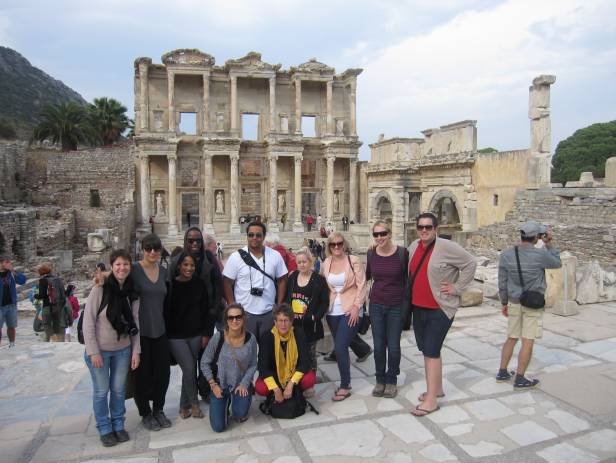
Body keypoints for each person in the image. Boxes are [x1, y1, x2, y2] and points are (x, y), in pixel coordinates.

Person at [408, 213, 476, 416]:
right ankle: (436, 389)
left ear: (435, 229)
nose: (424, 230)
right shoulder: (413, 246)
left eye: (428, 227)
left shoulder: (446, 247)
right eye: (421, 227)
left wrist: (457, 288)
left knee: (431, 351)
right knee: (428, 350)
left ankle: (431, 401)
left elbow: (470, 263)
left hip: (440, 308)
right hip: (418, 307)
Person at [83, 249, 141, 447]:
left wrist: (136, 350)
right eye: (118, 264)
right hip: (100, 349)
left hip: (123, 348)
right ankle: (104, 427)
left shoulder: (131, 291)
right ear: (112, 266)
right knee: (101, 391)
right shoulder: (100, 289)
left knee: (117, 391)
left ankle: (118, 424)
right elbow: (88, 322)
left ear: (130, 267)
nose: (122, 268)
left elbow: (135, 323)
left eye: (125, 264)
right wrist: (93, 352)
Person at [496, 221, 561, 389]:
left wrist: (504, 302)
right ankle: (520, 378)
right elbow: (557, 262)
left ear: (522, 235)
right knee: (528, 340)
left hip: (514, 301)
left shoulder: (506, 255)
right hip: (533, 302)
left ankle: (502, 372)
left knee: (511, 337)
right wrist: (549, 244)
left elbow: (502, 283)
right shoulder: (540, 255)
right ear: (537, 237)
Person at [164, 252, 212, 419]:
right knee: (190, 368)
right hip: (176, 336)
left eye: (191, 265)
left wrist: (206, 333)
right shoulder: (170, 285)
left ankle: (183, 406)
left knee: (188, 370)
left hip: (195, 334)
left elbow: (205, 310)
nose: (189, 268)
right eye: (185, 265)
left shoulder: (199, 284)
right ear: (178, 266)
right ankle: (194, 404)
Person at [131, 234, 171, 431]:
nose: (153, 252)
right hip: (141, 332)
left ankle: (159, 409)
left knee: (162, 374)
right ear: (143, 249)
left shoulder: (163, 272)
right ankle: (145, 412)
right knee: (142, 375)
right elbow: (116, 277)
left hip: (160, 330)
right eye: (149, 248)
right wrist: (101, 277)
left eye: (156, 248)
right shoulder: (134, 269)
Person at [321, 232, 367, 401]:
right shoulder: (326, 262)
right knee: (341, 348)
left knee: (340, 347)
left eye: (339, 243)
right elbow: (323, 285)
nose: (336, 247)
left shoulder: (353, 260)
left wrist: (357, 307)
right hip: (332, 311)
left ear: (344, 244)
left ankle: (345, 385)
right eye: (333, 244)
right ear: (329, 247)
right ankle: (345, 380)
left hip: (351, 309)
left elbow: (362, 285)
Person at [223, 222, 288, 341]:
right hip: (244, 312)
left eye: (258, 235)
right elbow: (226, 282)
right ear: (247, 236)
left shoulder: (275, 255)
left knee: (267, 352)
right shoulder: (236, 257)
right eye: (251, 235)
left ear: (264, 237)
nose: (254, 238)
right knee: (245, 350)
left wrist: (279, 304)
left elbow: (282, 279)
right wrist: (232, 305)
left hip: (268, 312)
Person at [366, 220, 409, 398]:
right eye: (376, 235)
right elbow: (367, 276)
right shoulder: (371, 253)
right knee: (378, 346)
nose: (380, 237)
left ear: (390, 234)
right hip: (376, 304)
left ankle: (391, 380)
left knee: (393, 347)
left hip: (396, 306)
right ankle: (380, 379)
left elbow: (409, 278)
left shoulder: (402, 253)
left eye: (383, 233)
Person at [201, 303, 257, 432]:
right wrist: (213, 384)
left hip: (240, 385)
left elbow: (253, 363)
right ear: (226, 320)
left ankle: (238, 403)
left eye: (238, 317)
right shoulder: (218, 337)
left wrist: (244, 383)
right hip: (220, 385)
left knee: (239, 415)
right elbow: (204, 362)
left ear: (243, 318)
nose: (235, 320)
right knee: (218, 427)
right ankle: (223, 405)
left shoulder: (250, 339)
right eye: (231, 318)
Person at [284, 248, 329, 396]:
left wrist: (315, 317)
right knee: (294, 353)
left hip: (310, 324)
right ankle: (294, 381)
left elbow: (324, 302)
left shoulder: (319, 280)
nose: (302, 265)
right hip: (293, 325)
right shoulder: (292, 277)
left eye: (304, 262)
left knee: (310, 354)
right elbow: (286, 298)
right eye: (299, 262)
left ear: (311, 262)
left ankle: (310, 383)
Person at [256, 303, 316, 402]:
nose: (283, 324)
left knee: (310, 379)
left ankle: (295, 390)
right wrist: (275, 389)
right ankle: (275, 394)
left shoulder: (299, 333)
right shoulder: (267, 336)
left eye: (286, 320)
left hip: (293, 373)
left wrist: (291, 384)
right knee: (260, 387)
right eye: (280, 321)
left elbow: (305, 362)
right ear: (275, 322)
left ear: (291, 322)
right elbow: (262, 367)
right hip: (274, 374)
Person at [170, 227, 224, 331]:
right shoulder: (177, 261)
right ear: (186, 241)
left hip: (207, 313)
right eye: (191, 241)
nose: (195, 243)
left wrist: (214, 310)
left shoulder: (208, 257)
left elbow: (218, 284)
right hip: (184, 315)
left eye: (198, 241)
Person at [36, 262, 70, 342]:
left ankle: (52, 337)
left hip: (47, 306)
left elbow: (42, 295)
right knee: (56, 324)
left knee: (46, 323)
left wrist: (35, 296)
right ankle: (58, 340)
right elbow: (64, 293)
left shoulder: (42, 281)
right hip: (58, 306)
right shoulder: (58, 279)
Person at [0, 256, 26, 347]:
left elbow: (23, 281)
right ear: (1, 263)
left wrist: (13, 271)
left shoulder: (10, 273)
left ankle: (12, 344)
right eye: (6, 262)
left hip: (11, 305)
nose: (9, 264)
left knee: (11, 326)